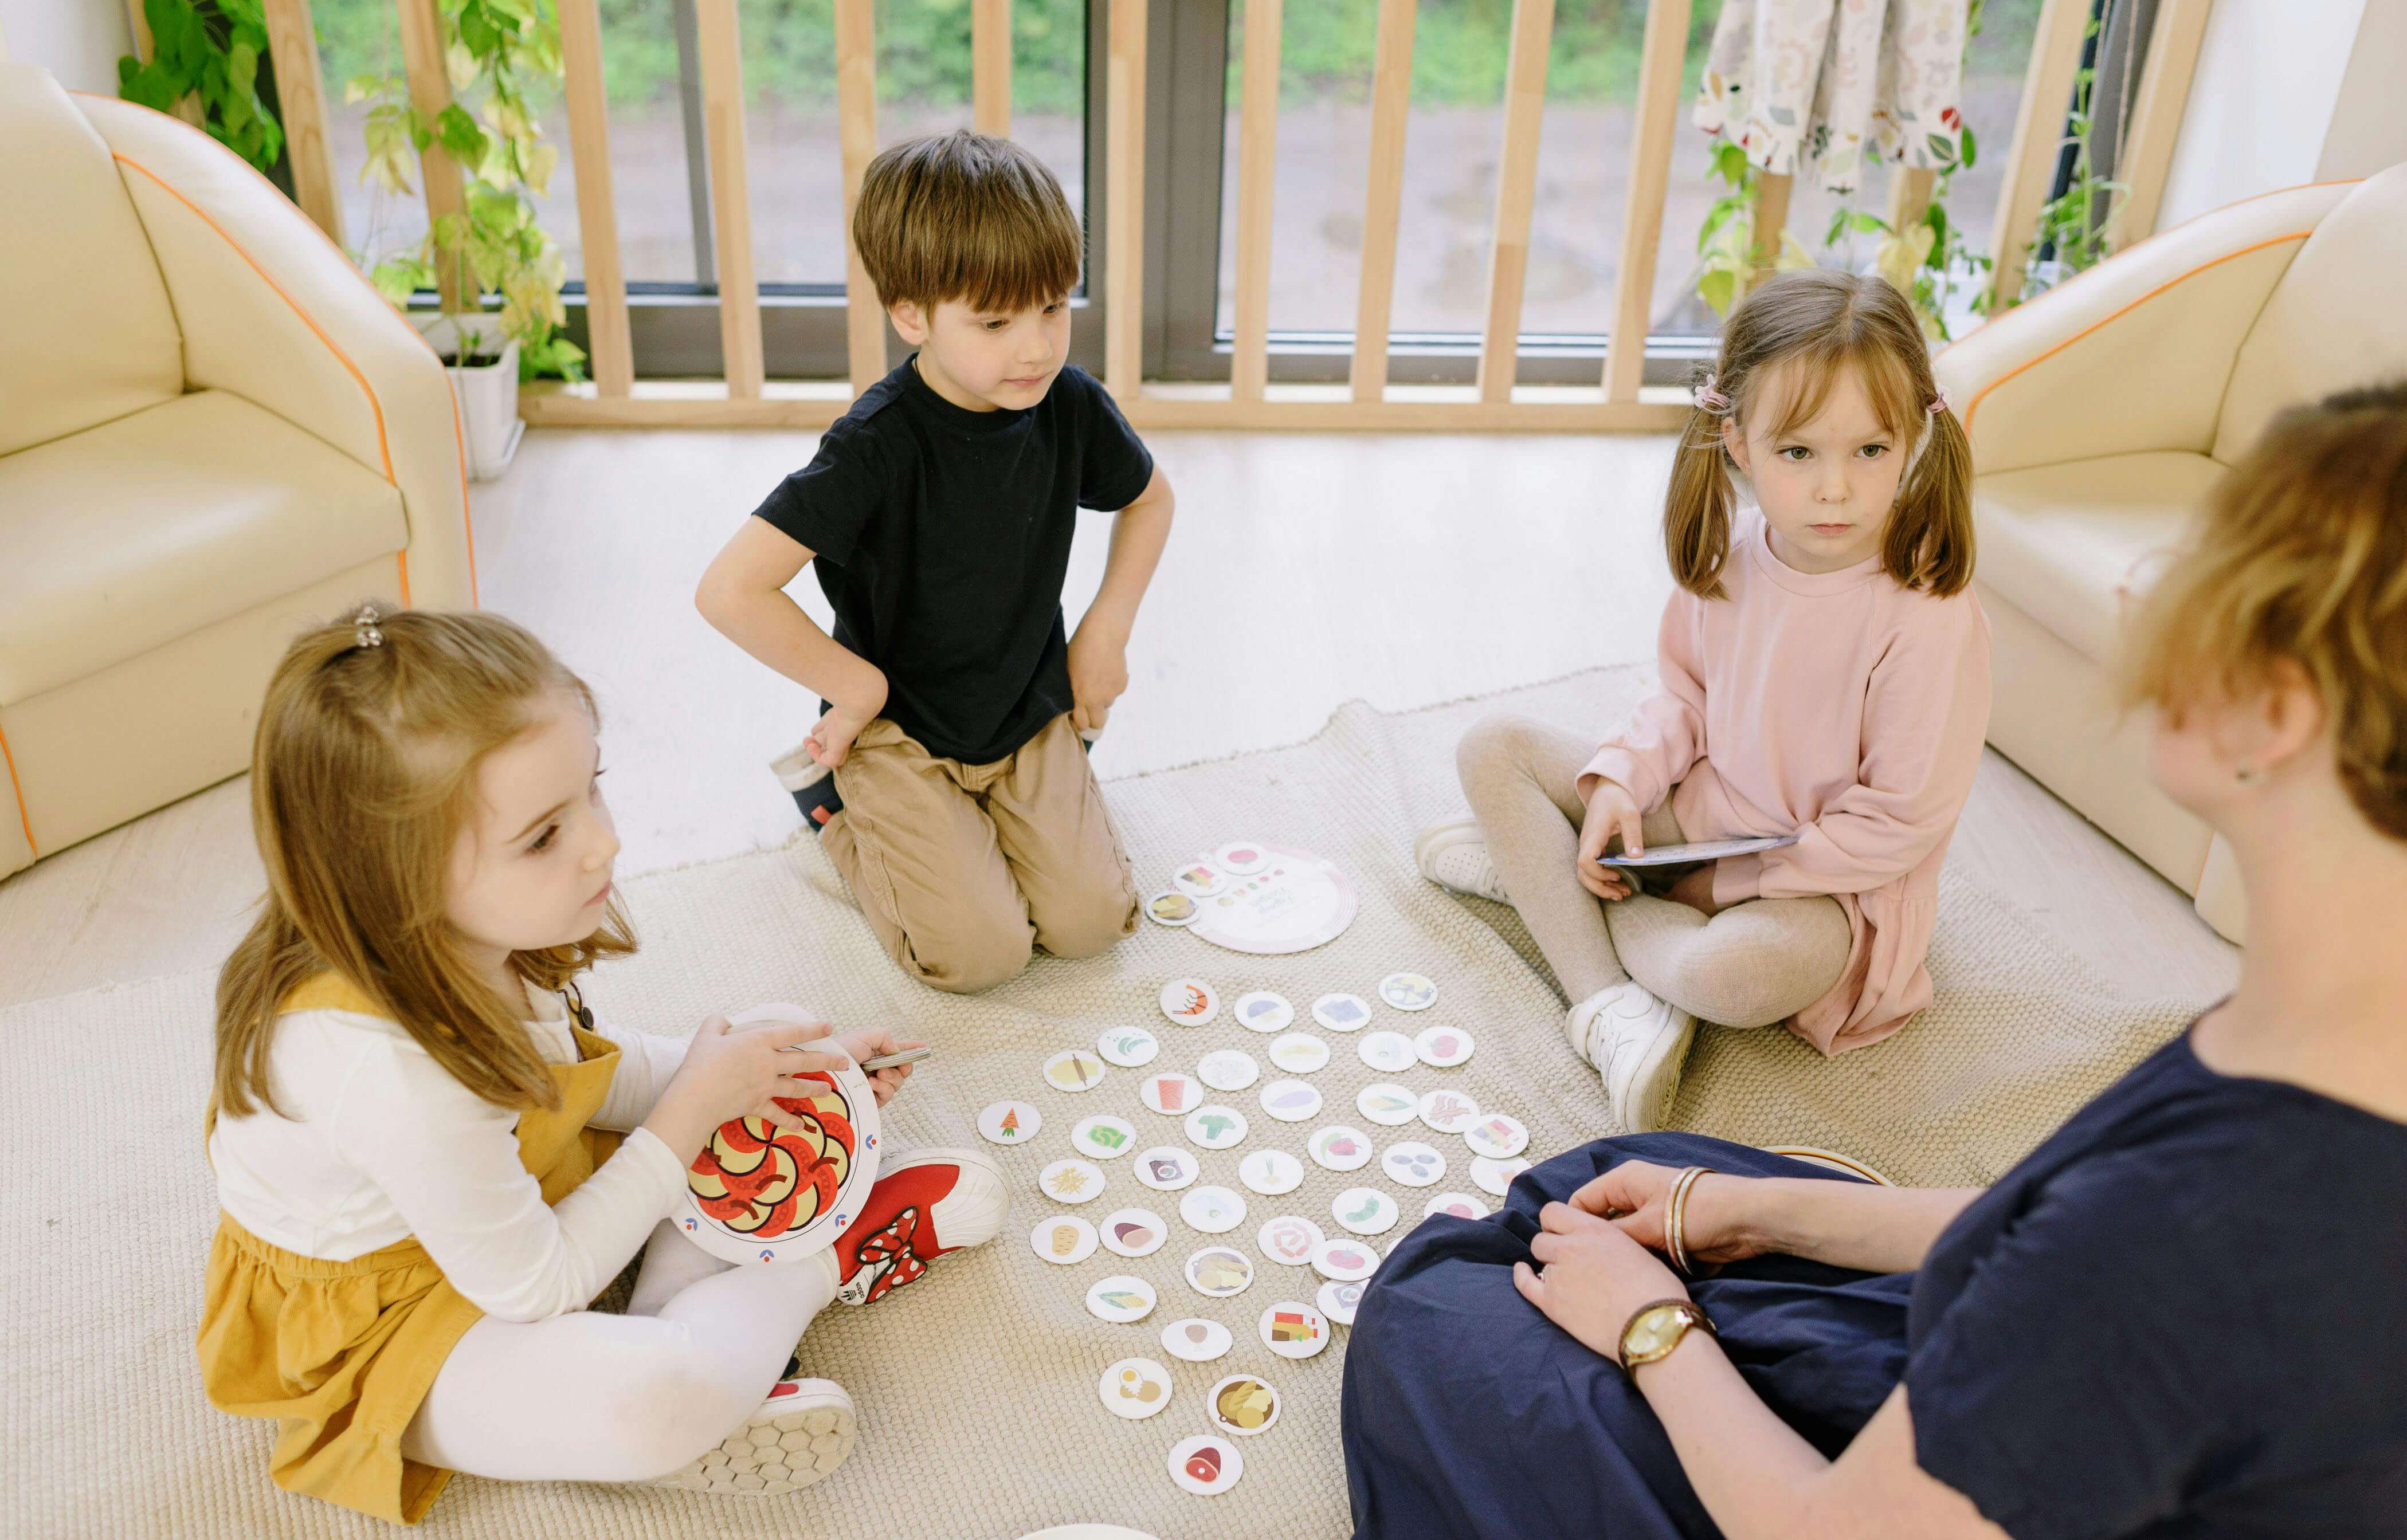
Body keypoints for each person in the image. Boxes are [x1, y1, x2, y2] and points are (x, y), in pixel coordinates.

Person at [1343, 385, 2407, 1539]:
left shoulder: (2180, 1237)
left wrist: (1657, 1331)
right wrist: (1747, 1213)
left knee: (1437, 1304)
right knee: (1608, 1185)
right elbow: (2047, 1221)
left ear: (2283, 710)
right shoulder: (2328, 1019)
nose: (2144, 589)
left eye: (2203, 566)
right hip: (2083, 1417)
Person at [197, 608, 1007, 1523]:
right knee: (661, 1396)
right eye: (544, 835)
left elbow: (579, 1077)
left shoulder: (461, 940)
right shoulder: (385, 1070)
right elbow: (536, 1285)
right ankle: (821, 1262)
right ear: (397, 879)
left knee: (768, 1033)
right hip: (395, 1326)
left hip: (500, 1204)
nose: (604, 842)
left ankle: (686, 1295)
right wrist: (688, 1116)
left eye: (594, 790)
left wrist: (771, 1071)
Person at [1414, 270, 1990, 1130]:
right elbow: (1683, 695)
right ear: (1739, 443)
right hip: (1707, 822)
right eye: (1799, 452)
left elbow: (1898, 824)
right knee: (1490, 747)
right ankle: (1608, 1007)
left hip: (1825, 892)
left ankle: (1553, 895)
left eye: (1870, 450)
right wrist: (1623, 782)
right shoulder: (1735, 556)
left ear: (1912, 440)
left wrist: (1733, 880)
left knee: (1733, 979)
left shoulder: (1928, 616)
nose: (1836, 487)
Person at [697, 129, 1175, 995]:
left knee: (1089, 927)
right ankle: (839, 818)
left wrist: (1106, 633)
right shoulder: (875, 445)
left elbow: (1149, 500)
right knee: (978, 956)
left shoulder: (1066, 402)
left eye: (1054, 308)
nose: (1034, 347)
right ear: (912, 314)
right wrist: (859, 691)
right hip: (897, 733)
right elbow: (730, 589)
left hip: (1024, 706)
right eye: (995, 321)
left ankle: (975, 825)